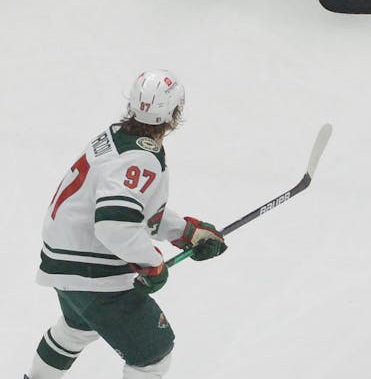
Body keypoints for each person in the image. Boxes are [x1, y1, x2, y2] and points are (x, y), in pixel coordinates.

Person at [24, 71, 226, 379]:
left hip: (66, 261)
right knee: (153, 355)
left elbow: (131, 212)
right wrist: (151, 262)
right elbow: (114, 225)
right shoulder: (140, 158)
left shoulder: (118, 136)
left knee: (76, 330)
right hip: (92, 272)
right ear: (174, 113)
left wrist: (185, 232)